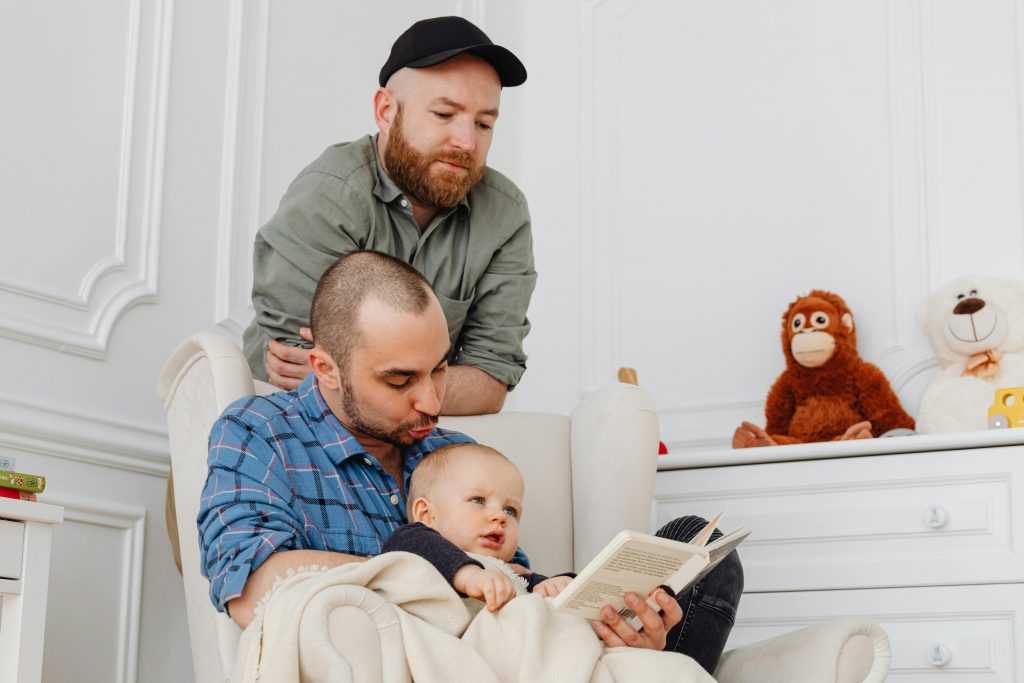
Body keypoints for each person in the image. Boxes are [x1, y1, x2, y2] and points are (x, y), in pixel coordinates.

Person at [199, 250, 742, 673]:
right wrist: (442, 574)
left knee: (698, 547)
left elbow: (513, 585)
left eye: (438, 369)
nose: (432, 402)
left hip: (508, 658)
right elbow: (251, 591)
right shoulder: (260, 431)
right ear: (326, 367)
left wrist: (630, 632)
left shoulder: (450, 450)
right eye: (399, 380)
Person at [243, 15, 536, 416]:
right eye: (444, 114)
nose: (467, 142)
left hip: (420, 439)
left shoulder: (506, 215)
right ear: (385, 111)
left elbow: (490, 382)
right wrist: (434, 383)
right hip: (289, 425)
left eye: (484, 123)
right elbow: (300, 372)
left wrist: (362, 378)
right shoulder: (329, 194)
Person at [382, 442, 576, 612]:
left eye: (510, 510)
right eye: (478, 500)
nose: (500, 516)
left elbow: (529, 586)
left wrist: (555, 585)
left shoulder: (510, 572)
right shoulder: (412, 541)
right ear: (426, 514)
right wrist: (469, 576)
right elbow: (408, 545)